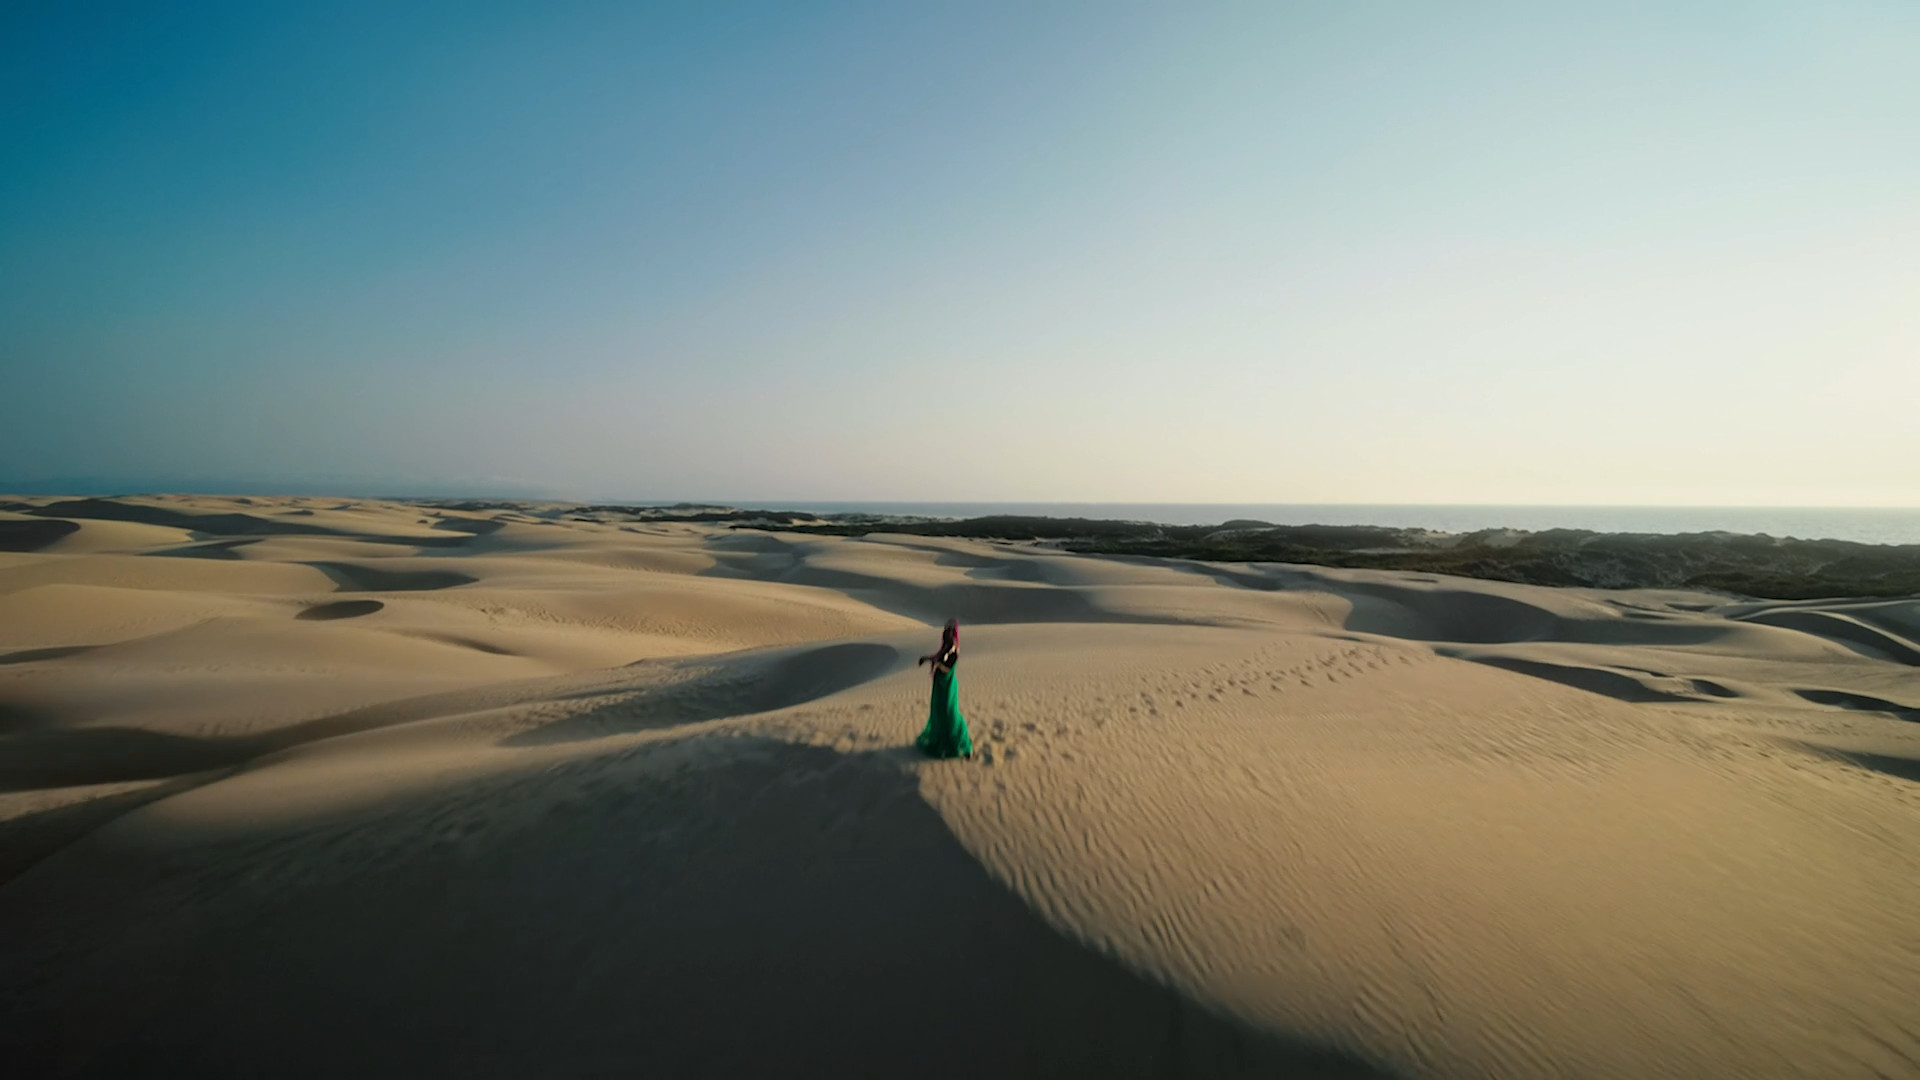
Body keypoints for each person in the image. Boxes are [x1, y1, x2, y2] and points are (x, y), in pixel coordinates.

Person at [914, 618, 973, 759]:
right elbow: (937, 657)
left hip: (948, 686)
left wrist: (936, 663)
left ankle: (962, 744)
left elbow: (946, 667)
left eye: (949, 632)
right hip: (939, 685)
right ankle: (943, 744)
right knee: (939, 712)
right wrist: (927, 659)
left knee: (950, 713)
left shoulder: (953, 649)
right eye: (945, 632)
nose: (946, 634)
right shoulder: (945, 648)